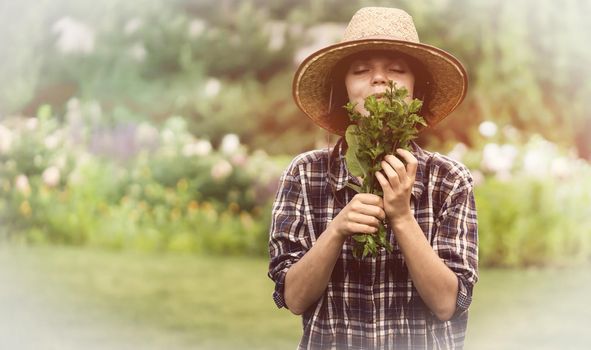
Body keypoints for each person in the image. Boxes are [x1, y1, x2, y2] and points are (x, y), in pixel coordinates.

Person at [268, 7, 478, 350]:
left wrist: (401, 216)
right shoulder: (305, 173)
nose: (379, 79)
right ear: (345, 89)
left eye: (396, 69)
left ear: (416, 89)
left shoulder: (449, 180)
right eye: (361, 70)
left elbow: (447, 304)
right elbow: (294, 298)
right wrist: (336, 230)